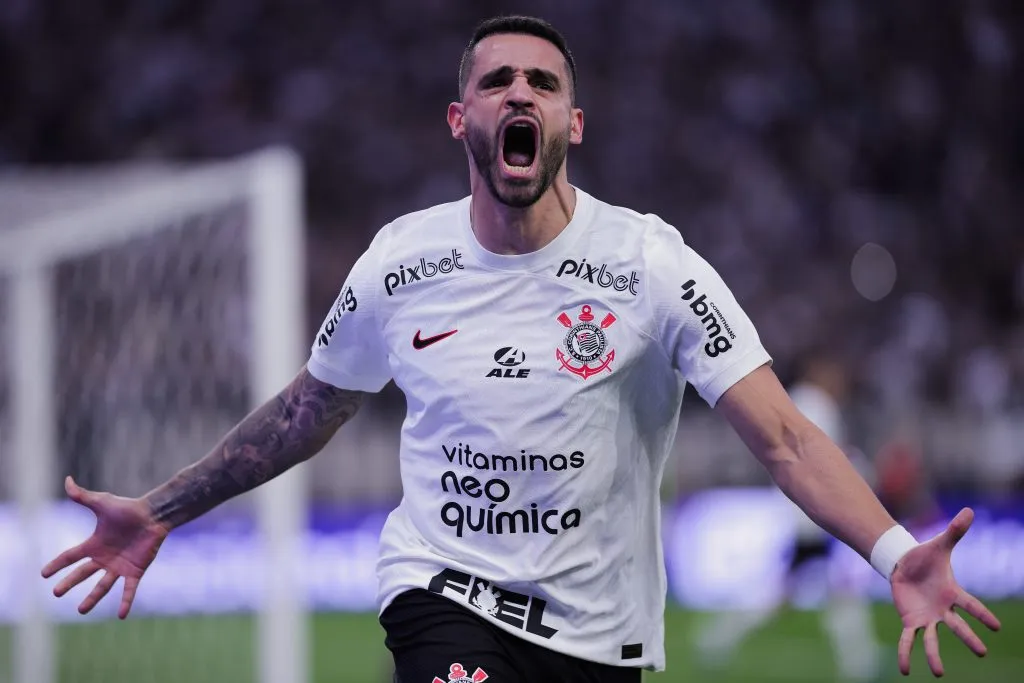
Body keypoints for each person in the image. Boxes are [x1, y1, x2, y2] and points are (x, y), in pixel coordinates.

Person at [42, 15, 1000, 682]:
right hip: (439, 592)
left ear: (571, 124)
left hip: (600, 632)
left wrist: (893, 551)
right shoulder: (400, 262)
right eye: (496, 81)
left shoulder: (651, 265)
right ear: (461, 119)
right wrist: (161, 509)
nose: (519, 94)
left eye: (542, 83)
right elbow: (304, 413)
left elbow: (784, 437)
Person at [695, 352, 886, 681]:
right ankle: (861, 662)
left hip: (806, 513)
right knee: (835, 589)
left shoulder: (802, 400)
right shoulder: (815, 404)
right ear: (818, 371)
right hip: (814, 514)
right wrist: (861, 473)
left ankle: (719, 638)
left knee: (798, 592)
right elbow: (822, 459)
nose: (840, 381)